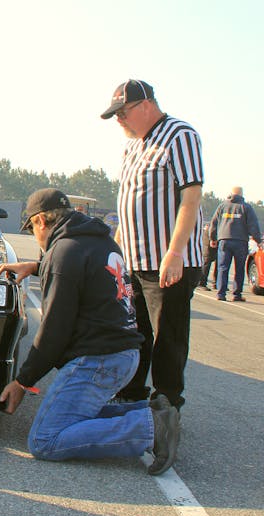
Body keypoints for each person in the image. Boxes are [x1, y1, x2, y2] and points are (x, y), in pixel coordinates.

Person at [0, 188, 180, 475]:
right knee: (70, 417)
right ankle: (153, 413)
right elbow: (83, 269)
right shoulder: (100, 241)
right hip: (125, 355)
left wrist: (22, 381)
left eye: (31, 228)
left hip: (98, 361)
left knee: (45, 440)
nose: (35, 236)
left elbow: (53, 333)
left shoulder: (64, 252)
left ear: (41, 220)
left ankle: (148, 428)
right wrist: (38, 267)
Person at [102, 80, 204, 410]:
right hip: (135, 261)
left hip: (167, 262)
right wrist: (116, 254)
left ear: (146, 105)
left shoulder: (180, 135)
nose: (119, 120)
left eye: (123, 113)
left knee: (167, 338)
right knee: (135, 333)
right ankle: (130, 392)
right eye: (116, 115)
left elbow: (191, 197)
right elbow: (128, 205)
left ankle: (166, 403)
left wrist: (175, 252)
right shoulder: (133, 146)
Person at [208, 187, 263, 301]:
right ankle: (236, 294)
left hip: (224, 240)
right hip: (240, 242)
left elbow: (214, 223)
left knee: (223, 267)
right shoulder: (246, 207)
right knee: (239, 268)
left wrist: (212, 238)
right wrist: (258, 241)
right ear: (242, 194)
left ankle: (221, 293)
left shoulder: (222, 206)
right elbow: (253, 225)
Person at [197, 223, 218, 290]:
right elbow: (213, 223)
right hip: (210, 235)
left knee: (219, 262)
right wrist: (212, 239)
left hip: (217, 235)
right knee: (207, 261)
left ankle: (216, 283)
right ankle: (201, 283)